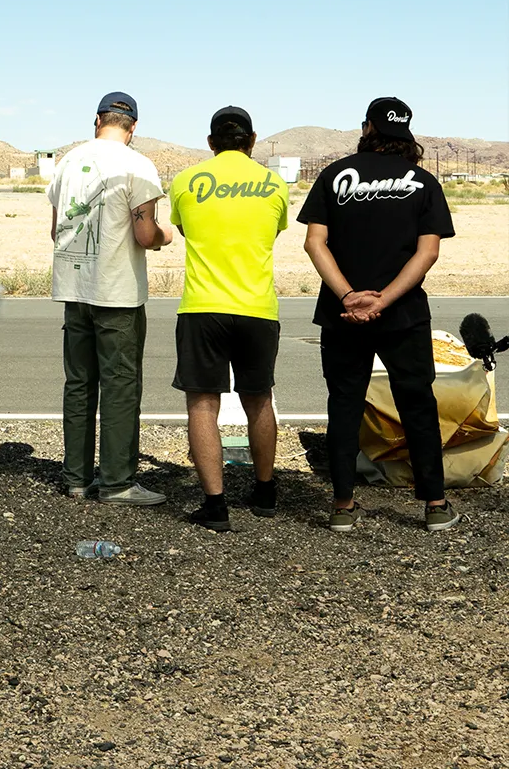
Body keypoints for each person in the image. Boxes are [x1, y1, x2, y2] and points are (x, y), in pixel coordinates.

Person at [297, 96, 460, 533]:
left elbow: (315, 243)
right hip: (403, 313)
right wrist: (384, 300)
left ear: (367, 127)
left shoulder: (335, 175)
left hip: (341, 313)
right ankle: (435, 504)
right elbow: (428, 252)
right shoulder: (423, 182)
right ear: (406, 133)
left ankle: (342, 505)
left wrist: (350, 295)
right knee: (418, 405)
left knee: (345, 405)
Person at [47, 91, 173, 505]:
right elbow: (144, 233)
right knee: (119, 386)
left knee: (79, 384)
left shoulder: (67, 162)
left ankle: (77, 478)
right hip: (116, 292)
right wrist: (165, 236)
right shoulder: (137, 165)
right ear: (133, 126)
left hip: (74, 287)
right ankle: (117, 481)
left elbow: (55, 230)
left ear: (97, 120)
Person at [168, 107, 289, 531]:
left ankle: (215, 504)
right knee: (259, 398)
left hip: (203, 307)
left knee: (202, 402)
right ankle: (265, 491)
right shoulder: (274, 183)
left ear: (211, 142)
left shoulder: (185, 182)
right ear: (252, 140)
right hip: (257, 307)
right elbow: (272, 232)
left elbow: (185, 230)